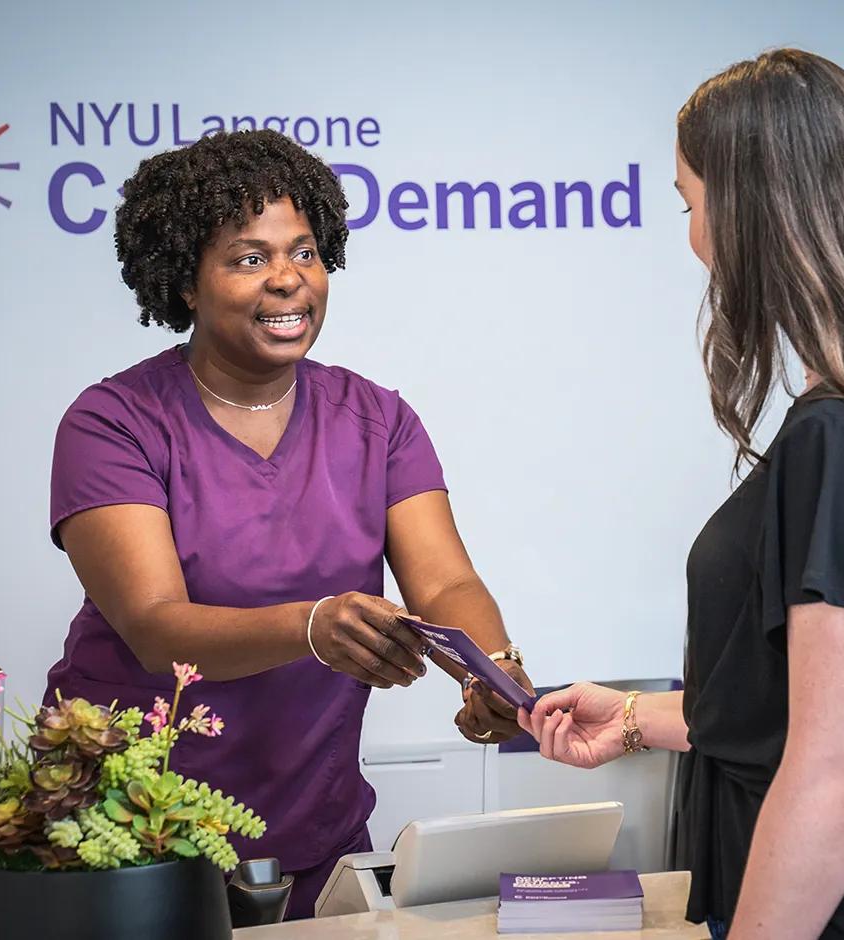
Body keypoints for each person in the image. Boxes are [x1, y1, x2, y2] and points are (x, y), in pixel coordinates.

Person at [518, 50, 844, 939]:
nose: (693, 236)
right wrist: (634, 718)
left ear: (754, 212)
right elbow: (799, 713)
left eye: (691, 202)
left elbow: (839, 770)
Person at [44, 129, 532, 920]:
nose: (288, 281)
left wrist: (492, 674)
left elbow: (444, 581)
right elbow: (155, 628)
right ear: (185, 284)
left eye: (304, 253)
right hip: (129, 836)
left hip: (313, 827)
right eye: (248, 258)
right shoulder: (113, 423)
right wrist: (311, 627)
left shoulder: (377, 418)